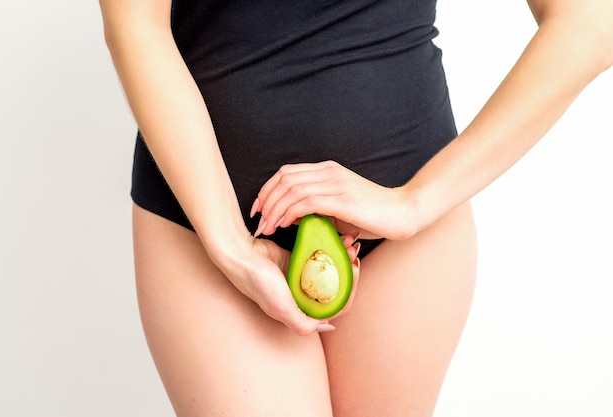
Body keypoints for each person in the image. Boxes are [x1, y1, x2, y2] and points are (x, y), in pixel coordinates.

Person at [99, 0, 612, 416]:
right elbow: (135, 22)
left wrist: (414, 204)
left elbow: (591, 19)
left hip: (406, 230)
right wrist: (230, 245)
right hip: (210, 224)